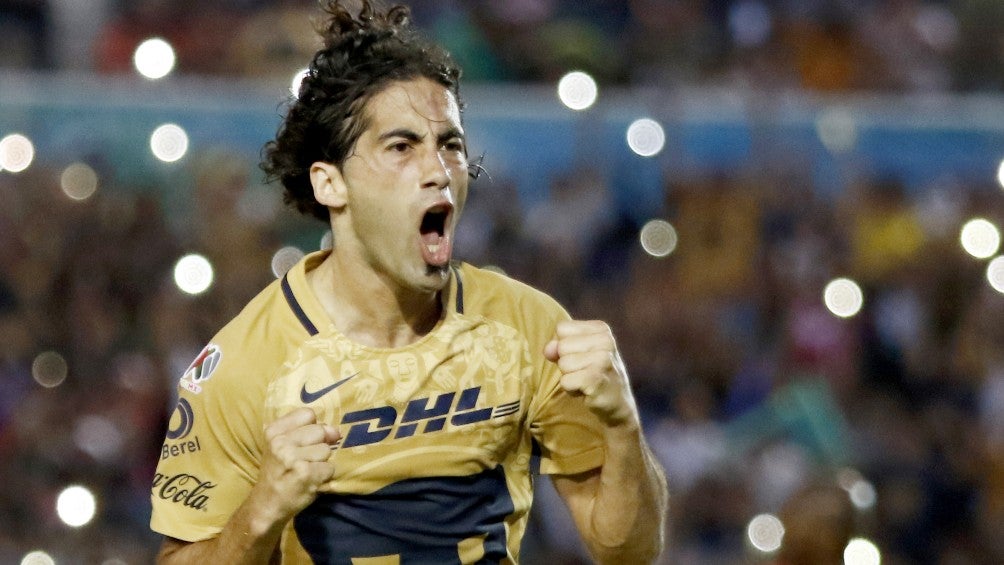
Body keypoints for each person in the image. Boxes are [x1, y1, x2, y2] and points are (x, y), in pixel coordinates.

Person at [149, 1, 668, 563]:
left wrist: (622, 426)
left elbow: (629, 552)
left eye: (450, 145)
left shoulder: (528, 329)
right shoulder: (246, 364)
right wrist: (261, 511)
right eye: (401, 147)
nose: (438, 171)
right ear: (330, 184)